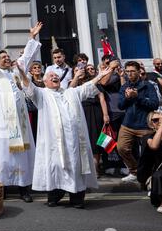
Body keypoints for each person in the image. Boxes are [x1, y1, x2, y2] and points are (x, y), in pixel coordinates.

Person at [22, 59, 114, 208]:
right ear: (45, 82)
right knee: (56, 166)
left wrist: (100, 75)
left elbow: (88, 86)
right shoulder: (42, 94)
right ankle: (54, 195)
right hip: (53, 142)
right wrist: (21, 71)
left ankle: (77, 198)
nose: (54, 77)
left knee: (76, 165)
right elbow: (28, 86)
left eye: (55, 76)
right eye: (50, 76)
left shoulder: (71, 92)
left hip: (75, 142)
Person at [0, 20, 43, 203]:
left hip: (20, 123)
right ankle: (1, 187)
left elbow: (26, 56)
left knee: (22, 156)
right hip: (3, 124)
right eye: (3, 58)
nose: (7, 59)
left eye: (7, 57)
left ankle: (23, 188)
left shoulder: (17, 71)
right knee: (3, 157)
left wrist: (31, 37)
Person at [118, 61, 159, 183]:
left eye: (132, 71)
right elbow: (120, 106)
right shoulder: (124, 87)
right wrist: (127, 98)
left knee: (149, 153)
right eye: (127, 71)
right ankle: (135, 171)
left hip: (144, 125)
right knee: (122, 148)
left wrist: (137, 97)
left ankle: (151, 177)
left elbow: (154, 104)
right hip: (128, 124)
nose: (130, 74)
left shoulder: (148, 86)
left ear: (138, 71)